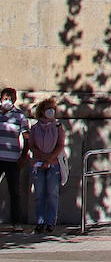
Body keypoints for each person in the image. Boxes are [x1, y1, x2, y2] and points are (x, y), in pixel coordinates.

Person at [26, 98, 65, 233]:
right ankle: (40, 222)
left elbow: (60, 145)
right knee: (39, 193)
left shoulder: (58, 127)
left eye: (53, 109)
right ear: (42, 111)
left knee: (52, 193)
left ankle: (51, 222)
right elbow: (31, 145)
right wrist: (42, 158)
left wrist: (49, 159)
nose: (51, 111)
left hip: (53, 165)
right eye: (48, 108)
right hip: (38, 164)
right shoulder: (35, 128)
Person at [0, 88, 29, 228]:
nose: (8, 100)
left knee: (14, 192)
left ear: (15, 100)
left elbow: (26, 137)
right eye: (6, 98)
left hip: (13, 159)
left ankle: (16, 222)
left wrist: (24, 156)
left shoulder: (20, 116)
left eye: (11, 98)